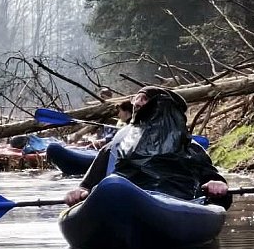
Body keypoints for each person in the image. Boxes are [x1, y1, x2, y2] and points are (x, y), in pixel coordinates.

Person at [65, 86, 231, 209]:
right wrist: (78, 192)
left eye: (145, 99)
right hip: (122, 206)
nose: (137, 102)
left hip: (177, 205)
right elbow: (85, 186)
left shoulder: (189, 148)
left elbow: (217, 187)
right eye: (137, 99)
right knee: (114, 183)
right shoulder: (113, 148)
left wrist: (217, 184)